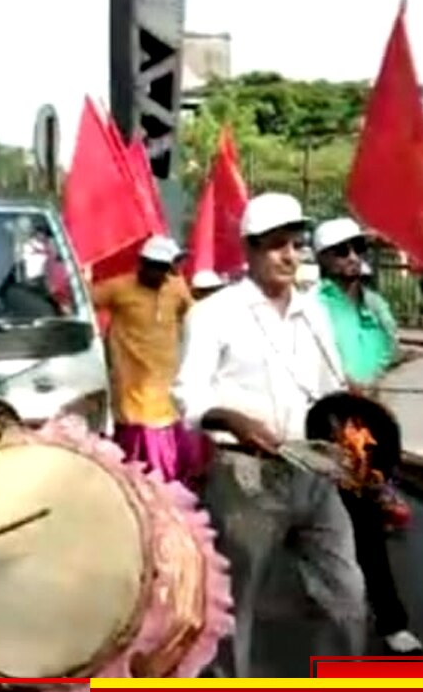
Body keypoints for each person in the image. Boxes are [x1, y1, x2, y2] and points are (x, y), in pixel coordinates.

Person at [173, 192, 367, 675]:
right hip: (246, 476)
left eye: (295, 244)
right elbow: (186, 398)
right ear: (250, 250)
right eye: (275, 245)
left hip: (314, 470)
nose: (288, 255)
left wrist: (353, 414)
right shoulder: (214, 313)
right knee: (237, 604)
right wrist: (232, 420)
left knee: (347, 594)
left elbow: (329, 390)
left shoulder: (313, 313)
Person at [311, 217, 421, 654]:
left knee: (364, 523)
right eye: (342, 250)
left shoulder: (375, 305)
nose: (354, 257)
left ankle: (385, 617)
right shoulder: (312, 305)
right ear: (321, 258)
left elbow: (390, 353)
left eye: (359, 248)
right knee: (350, 523)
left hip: (374, 426)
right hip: (331, 423)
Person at [90, 235, 199, 484]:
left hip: (167, 388)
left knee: (173, 471)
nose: (155, 272)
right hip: (133, 389)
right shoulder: (118, 288)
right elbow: (80, 302)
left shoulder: (176, 288)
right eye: (151, 264)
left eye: (162, 267)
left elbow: (193, 315)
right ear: (141, 262)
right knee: (141, 468)